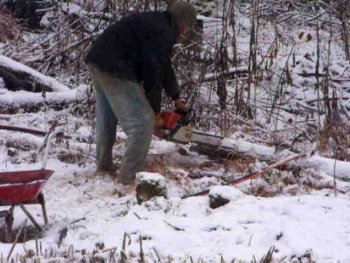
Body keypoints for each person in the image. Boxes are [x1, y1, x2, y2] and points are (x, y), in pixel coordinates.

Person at [85, 1, 197, 185]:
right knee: (142, 123)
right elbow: (153, 72)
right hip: (116, 68)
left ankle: (104, 166)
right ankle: (128, 178)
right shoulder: (163, 32)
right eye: (188, 26)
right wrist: (153, 113)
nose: (187, 30)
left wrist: (176, 97)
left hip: (97, 60)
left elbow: (163, 65)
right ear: (183, 22)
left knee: (108, 116)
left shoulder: (158, 24)